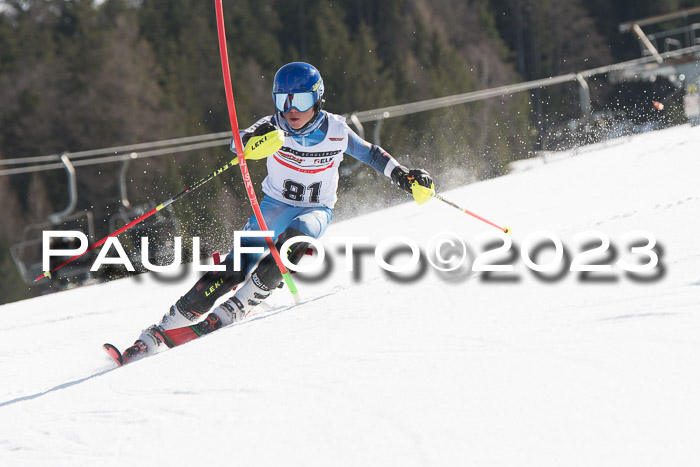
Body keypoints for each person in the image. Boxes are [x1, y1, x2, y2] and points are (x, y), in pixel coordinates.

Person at [127, 62, 433, 359]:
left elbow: (372, 154)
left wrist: (403, 176)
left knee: (295, 241)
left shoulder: (337, 129)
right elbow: (238, 144)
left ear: (317, 98)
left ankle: (241, 304)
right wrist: (250, 143)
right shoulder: (272, 126)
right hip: (274, 207)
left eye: (300, 100)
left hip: (316, 208)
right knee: (235, 267)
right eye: (283, 101)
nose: (291, 110)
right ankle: (164, 328)